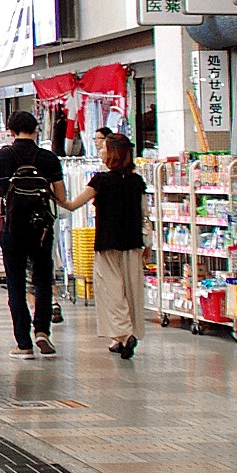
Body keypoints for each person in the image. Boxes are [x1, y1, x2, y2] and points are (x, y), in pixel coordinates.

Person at [0, 110, 68, 360]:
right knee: (43, 280)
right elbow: (61, 196)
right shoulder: (48, 158)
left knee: (15, 284)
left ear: (10, 131)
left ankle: (23, 343)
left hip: (12, 229)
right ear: (35, 130)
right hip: (41, 229)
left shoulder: (0, 157)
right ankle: (42, 331)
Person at [62, 133, 147, 358]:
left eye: (103, 149)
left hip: (107, 244)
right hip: (132, 244)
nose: (100, 152)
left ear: (112, 154)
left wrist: (56, 195)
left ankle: (124, 333)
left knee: (111, 292)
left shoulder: (100, 181)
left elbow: (72, 205)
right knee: (132, 291)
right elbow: (144, 214)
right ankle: (123, 336)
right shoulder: (137, 182)